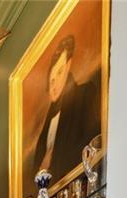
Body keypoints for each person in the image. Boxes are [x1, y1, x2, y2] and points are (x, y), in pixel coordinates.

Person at [32, 35, 100, 188]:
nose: (54, 84)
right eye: (51, 80)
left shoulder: (85, 93)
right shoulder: (46, 128)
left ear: (68, 66)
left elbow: (92, 143)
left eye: (60, 72)